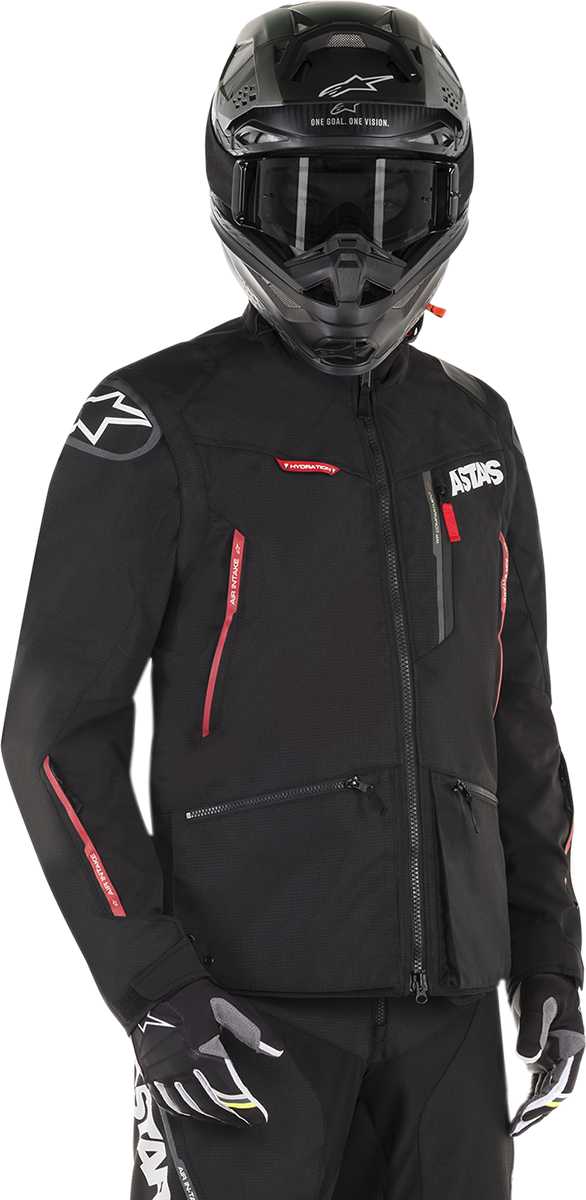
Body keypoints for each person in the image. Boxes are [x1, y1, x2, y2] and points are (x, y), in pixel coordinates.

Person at [2, 4, 584, 1198]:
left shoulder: (474, 425)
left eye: (387, 200)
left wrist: (551, 950)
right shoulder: (153, 421)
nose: (348, 251)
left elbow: (514, 714)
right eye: (308, 200)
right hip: (240, 1020)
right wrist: (152, 985)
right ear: (236, 190)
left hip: (452, 1023)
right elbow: (55, 737)